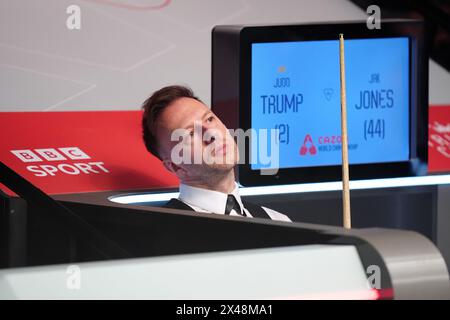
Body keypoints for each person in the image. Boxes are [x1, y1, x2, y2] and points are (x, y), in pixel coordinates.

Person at [141, 85, 291, 222]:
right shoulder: (159, 233)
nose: (211, 133)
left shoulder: (279, 221)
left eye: (210, 119)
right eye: (191, 133)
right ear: (175, 166)